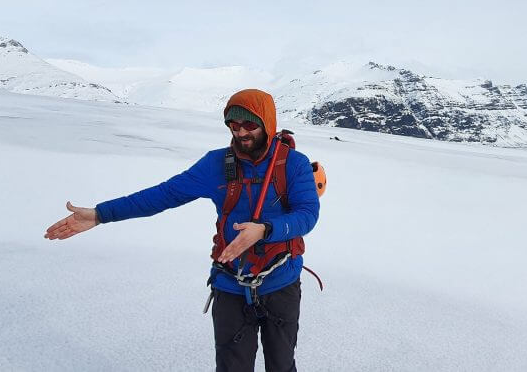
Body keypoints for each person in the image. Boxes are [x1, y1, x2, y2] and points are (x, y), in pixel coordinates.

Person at [44, 88, 320, 372]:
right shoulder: (217, 164)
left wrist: (264, 229)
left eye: (249, 124)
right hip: (231, 285)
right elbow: (164, 195)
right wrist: (101, 214)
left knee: (282, 366)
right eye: (233, 125)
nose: (240, 133)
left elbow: (307, 215)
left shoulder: (293, 165)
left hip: (280, 283)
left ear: (267, 123)